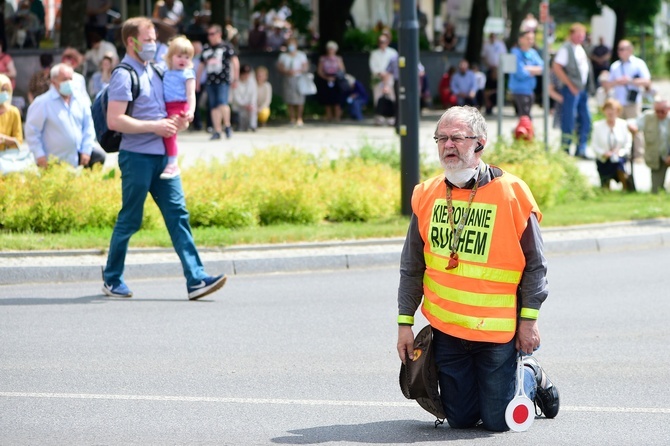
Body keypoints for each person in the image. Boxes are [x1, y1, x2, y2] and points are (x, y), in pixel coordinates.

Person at [396, 105, 559, 432]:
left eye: (457, 137)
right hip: (448, 331)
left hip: (497, 332)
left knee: (498, 421)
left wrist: (528, 321)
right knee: (461, 420)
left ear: (479, 143)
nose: (448, 145)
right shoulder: (427, 194)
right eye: (441, 138)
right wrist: (404, 323)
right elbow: (412, 266)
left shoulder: (511, 192)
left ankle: (529, 373)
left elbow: (536, 266)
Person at [102, 16, 226, 300]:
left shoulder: (158, 70)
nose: (154, 44)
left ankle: (196, 280)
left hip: (164, 156)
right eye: (148, 39)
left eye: (155, 39)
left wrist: (179, 120)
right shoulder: (124, 74)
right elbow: (114, 120)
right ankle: (112, 278)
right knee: (131, 219)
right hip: (137, 157)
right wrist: (154, 126)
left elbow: (172, 104)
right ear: (131, 41)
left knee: (178, 215)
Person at [25, 63, 105, 169]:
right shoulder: (42, 103)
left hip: (78, 158)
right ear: (54, 82)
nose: (69, 82)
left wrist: (86, 150)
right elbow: (32, 131)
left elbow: (88, 126)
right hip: (53, 161)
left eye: (70, 78)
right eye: (64, 79)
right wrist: (39, 155)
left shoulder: (80, 100)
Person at [602, 40, 651, 161]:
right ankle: (622, 153)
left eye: (623, 49)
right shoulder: (615, 66)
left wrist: (630, 81)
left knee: (635, 127)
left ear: (630, 50)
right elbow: (608, 84)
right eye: (619, 49)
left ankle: (638, 155)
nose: (621, 52)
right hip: (618, 102)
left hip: (633, 103)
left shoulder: (638, 64)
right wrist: (617, 82)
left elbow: (647, 81)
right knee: (620, 128)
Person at [552, 23, 593, 158]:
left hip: (582, 90)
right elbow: (557, 67)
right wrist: (569, 84)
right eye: (578, 34)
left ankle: (581, 148)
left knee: (586, 119)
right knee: (569, 120)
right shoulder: (566, 49)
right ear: (571, 35)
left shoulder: (580, 48)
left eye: (583, 34)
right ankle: (565, 148)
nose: (581, 37)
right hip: (571, 90)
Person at [160, 35, 196, 180]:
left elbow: (191, 94)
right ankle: (167, 160)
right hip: (165, 106)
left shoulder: (187, 74)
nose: (183, 60)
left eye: (187, 57)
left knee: (170, 132)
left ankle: (172, 162)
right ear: (170, 56)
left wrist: (191, 111)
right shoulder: (165, 72)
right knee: (164, 132)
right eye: (179, 56)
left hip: (179, 106)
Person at [196, 24, 239, 140]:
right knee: (213, 106)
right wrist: (197, 81)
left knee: (222, 103)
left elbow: (235, 61)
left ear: (219, 34)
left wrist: (236, 78)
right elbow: (201, 65)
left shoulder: (226, 47)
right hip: (210, 81)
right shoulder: (206, 49)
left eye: (212, 34)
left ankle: (227, 125)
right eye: (208, 34)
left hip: (223, 80)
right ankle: (217, 130)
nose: (210, 37)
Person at [628, 97, 670, 194]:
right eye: (657, 111)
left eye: (662, 111)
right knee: (656, 191)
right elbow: (633, 123)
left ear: (668, 109)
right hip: (656, 158)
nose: (659, 114)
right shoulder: (648, 116)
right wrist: (633, 127)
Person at [592, 99, 633, 190]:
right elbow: (594, 145)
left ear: (617, 111)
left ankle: (625, 187)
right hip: (604, 158)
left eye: (613, 109)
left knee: (619, 165)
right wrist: (604, 153)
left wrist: (620, 152)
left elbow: (628, 144)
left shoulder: (623, 124)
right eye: (608, 109)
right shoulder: (597, 126)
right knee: (605, 169)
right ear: (604, 111)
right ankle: (606, 187)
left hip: (619, 157)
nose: (610, 112)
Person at [508, 30, 543, 118]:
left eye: (532, 39)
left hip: (530, 90)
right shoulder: (515, 53)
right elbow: (520, 73)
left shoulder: (533, 53)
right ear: (521, 39)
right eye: (528, 38)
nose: (530, 41)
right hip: (519, 90)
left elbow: (543, 68)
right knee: (525, 117)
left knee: (525, 117)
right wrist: (534, 70)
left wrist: (527, 68)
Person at [276, 37, 308, 127]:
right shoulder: (283, 56)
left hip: (299, 78)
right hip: (288, 78)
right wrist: (287, 71)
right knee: (289, 98)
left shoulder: (301, 55)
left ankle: (299, 118)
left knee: (300, 99)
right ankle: (292, 118)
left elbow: (305, 67)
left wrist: (298, 71)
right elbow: (280, 67)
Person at [369, 34, 397, 125]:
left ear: (388, 42)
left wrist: (387, 74)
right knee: (377, 98)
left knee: (391, 98)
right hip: (378, 78)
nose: (382, 44)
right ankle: (379, 118)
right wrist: (380, 73)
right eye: (381, 42)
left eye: (384, 42)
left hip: (389, 79)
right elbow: (373, 66)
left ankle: (391, 118)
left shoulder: (393, 52)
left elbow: (394, 66)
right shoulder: (374, 53)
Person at [316, 41, 346, 122]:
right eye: (329, 49)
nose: (330, 50)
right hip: (325, 80)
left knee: (337, 99)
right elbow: (319, 71)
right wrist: (326, 77)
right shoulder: (323, 59)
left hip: (336, 80)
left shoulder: (338, 59)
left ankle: (337, 117)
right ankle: (329, 116)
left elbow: (342, 70)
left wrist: (335, 77)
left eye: (332, 49)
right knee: (327, 99)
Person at [0, 74, 23, 151]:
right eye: (2, 89)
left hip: (6, 160)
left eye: (7, 90)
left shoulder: (13, 112)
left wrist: (3, 139)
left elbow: (19, 141)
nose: (4, 93)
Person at [231, 64, 257, 132]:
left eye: (247, 74)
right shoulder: (236, 82)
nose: (246, 76)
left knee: (253, 108)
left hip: (249, 105)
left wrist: (251, 104)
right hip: (239, 105)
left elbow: (254, 95)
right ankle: (241, 126)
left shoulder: (252, 81)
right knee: (242, 114)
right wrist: (244, 105)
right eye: (244, 74)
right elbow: (236, 97)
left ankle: (253, 126)